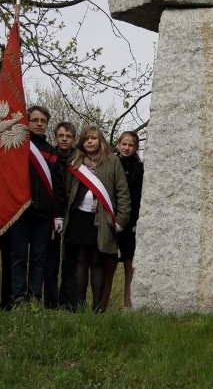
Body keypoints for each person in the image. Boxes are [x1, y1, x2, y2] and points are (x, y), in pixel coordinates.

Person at [60, 125, 130, 311]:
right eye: (86, 139)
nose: (89, 141)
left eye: (93, 138)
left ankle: (98, 308)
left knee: (97, 262)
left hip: (102, 220)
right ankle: (80, 306)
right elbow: (68, 190)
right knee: (81, 260)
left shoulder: (112, 161)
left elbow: (122, 192)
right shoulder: (76, 161)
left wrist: (120, 221)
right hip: (79, 219)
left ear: (101, 141)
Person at [9, 105, 66, 305]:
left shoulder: (52, 152)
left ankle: (34, 297)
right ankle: (18, 297)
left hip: (44, 213)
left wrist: (58, 214)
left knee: (38, 258)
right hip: (20, 211)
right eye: (35, 120)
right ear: (27, 122)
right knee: (18, 257)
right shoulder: (17, 147)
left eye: (43, 121)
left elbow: (58, 186)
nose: (39, 124)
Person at [116, 130, 144, 308]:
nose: (126, 148)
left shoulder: (140, 168)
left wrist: (135, 221)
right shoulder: (110, 163)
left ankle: (128, 304)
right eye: (124, 144)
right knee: (107, 263)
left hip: (131, 222)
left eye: (131, 145)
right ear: (118, 144)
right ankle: (100, 306)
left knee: (129, 263)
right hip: (111, 219)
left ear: (136, 147)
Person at [52, 121, 77, 308]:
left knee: (71, 261)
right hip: (52, 213)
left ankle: (69, 303)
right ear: (56, 137)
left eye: (68, 136)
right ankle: (51, 302)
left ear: (73, 139)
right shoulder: (49, 156)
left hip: (73, 215)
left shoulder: (79, 159)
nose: (64, 139)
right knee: (51, 260)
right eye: (61, 135)